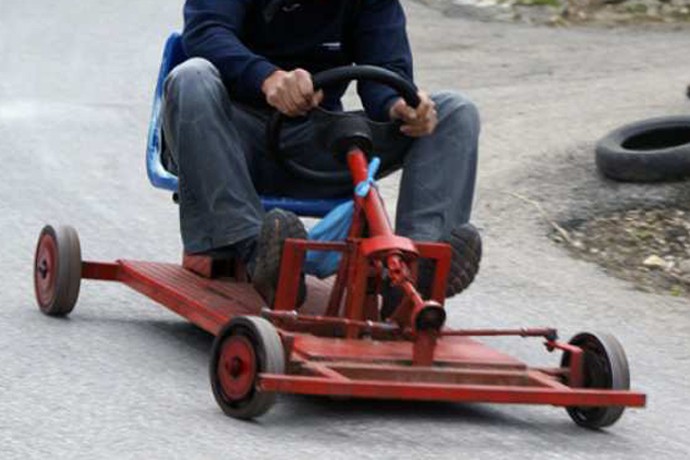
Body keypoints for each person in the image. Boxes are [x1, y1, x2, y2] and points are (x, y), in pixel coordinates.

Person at [163, 0, 482, 311]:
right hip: (228, 141)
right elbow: (205, 33)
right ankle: (258, 252)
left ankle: (415, 267)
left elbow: (385, 70)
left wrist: (401, 106)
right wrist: (267, 78)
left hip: (315, 141)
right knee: (191, 76)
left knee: (455, 112)